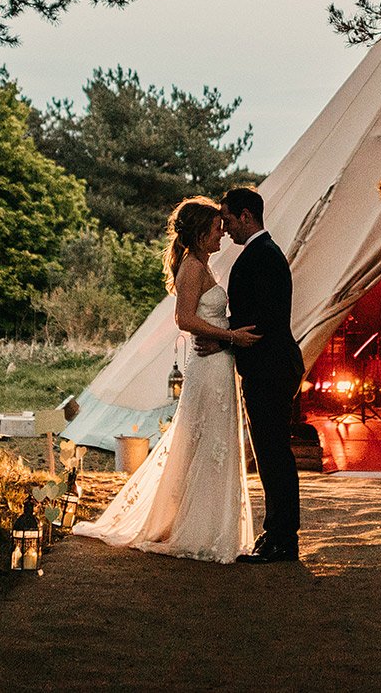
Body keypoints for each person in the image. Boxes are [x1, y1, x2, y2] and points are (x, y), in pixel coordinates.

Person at [73, 197, 260, 562]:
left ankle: (209, 525)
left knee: (213, 441)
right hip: (208, 366)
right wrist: (231, 337)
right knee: (206, 440)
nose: (221, 232)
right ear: (200, 233)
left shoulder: (203, 265)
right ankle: (198, 530)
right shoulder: (192, 267)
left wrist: (225, 336)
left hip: (218, 363)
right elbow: (184, 319)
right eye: (215, 228)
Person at [204, 185, 306, 563]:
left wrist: (222, 340)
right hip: (272, 367)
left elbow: (260, 322)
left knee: (274, 454)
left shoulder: (260, 257)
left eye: (229, 219)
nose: (226, 228)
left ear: (247, 216)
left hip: (270, 369)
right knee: (270, 454)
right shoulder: (265, 254)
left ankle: (282, 540)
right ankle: (275, 534)